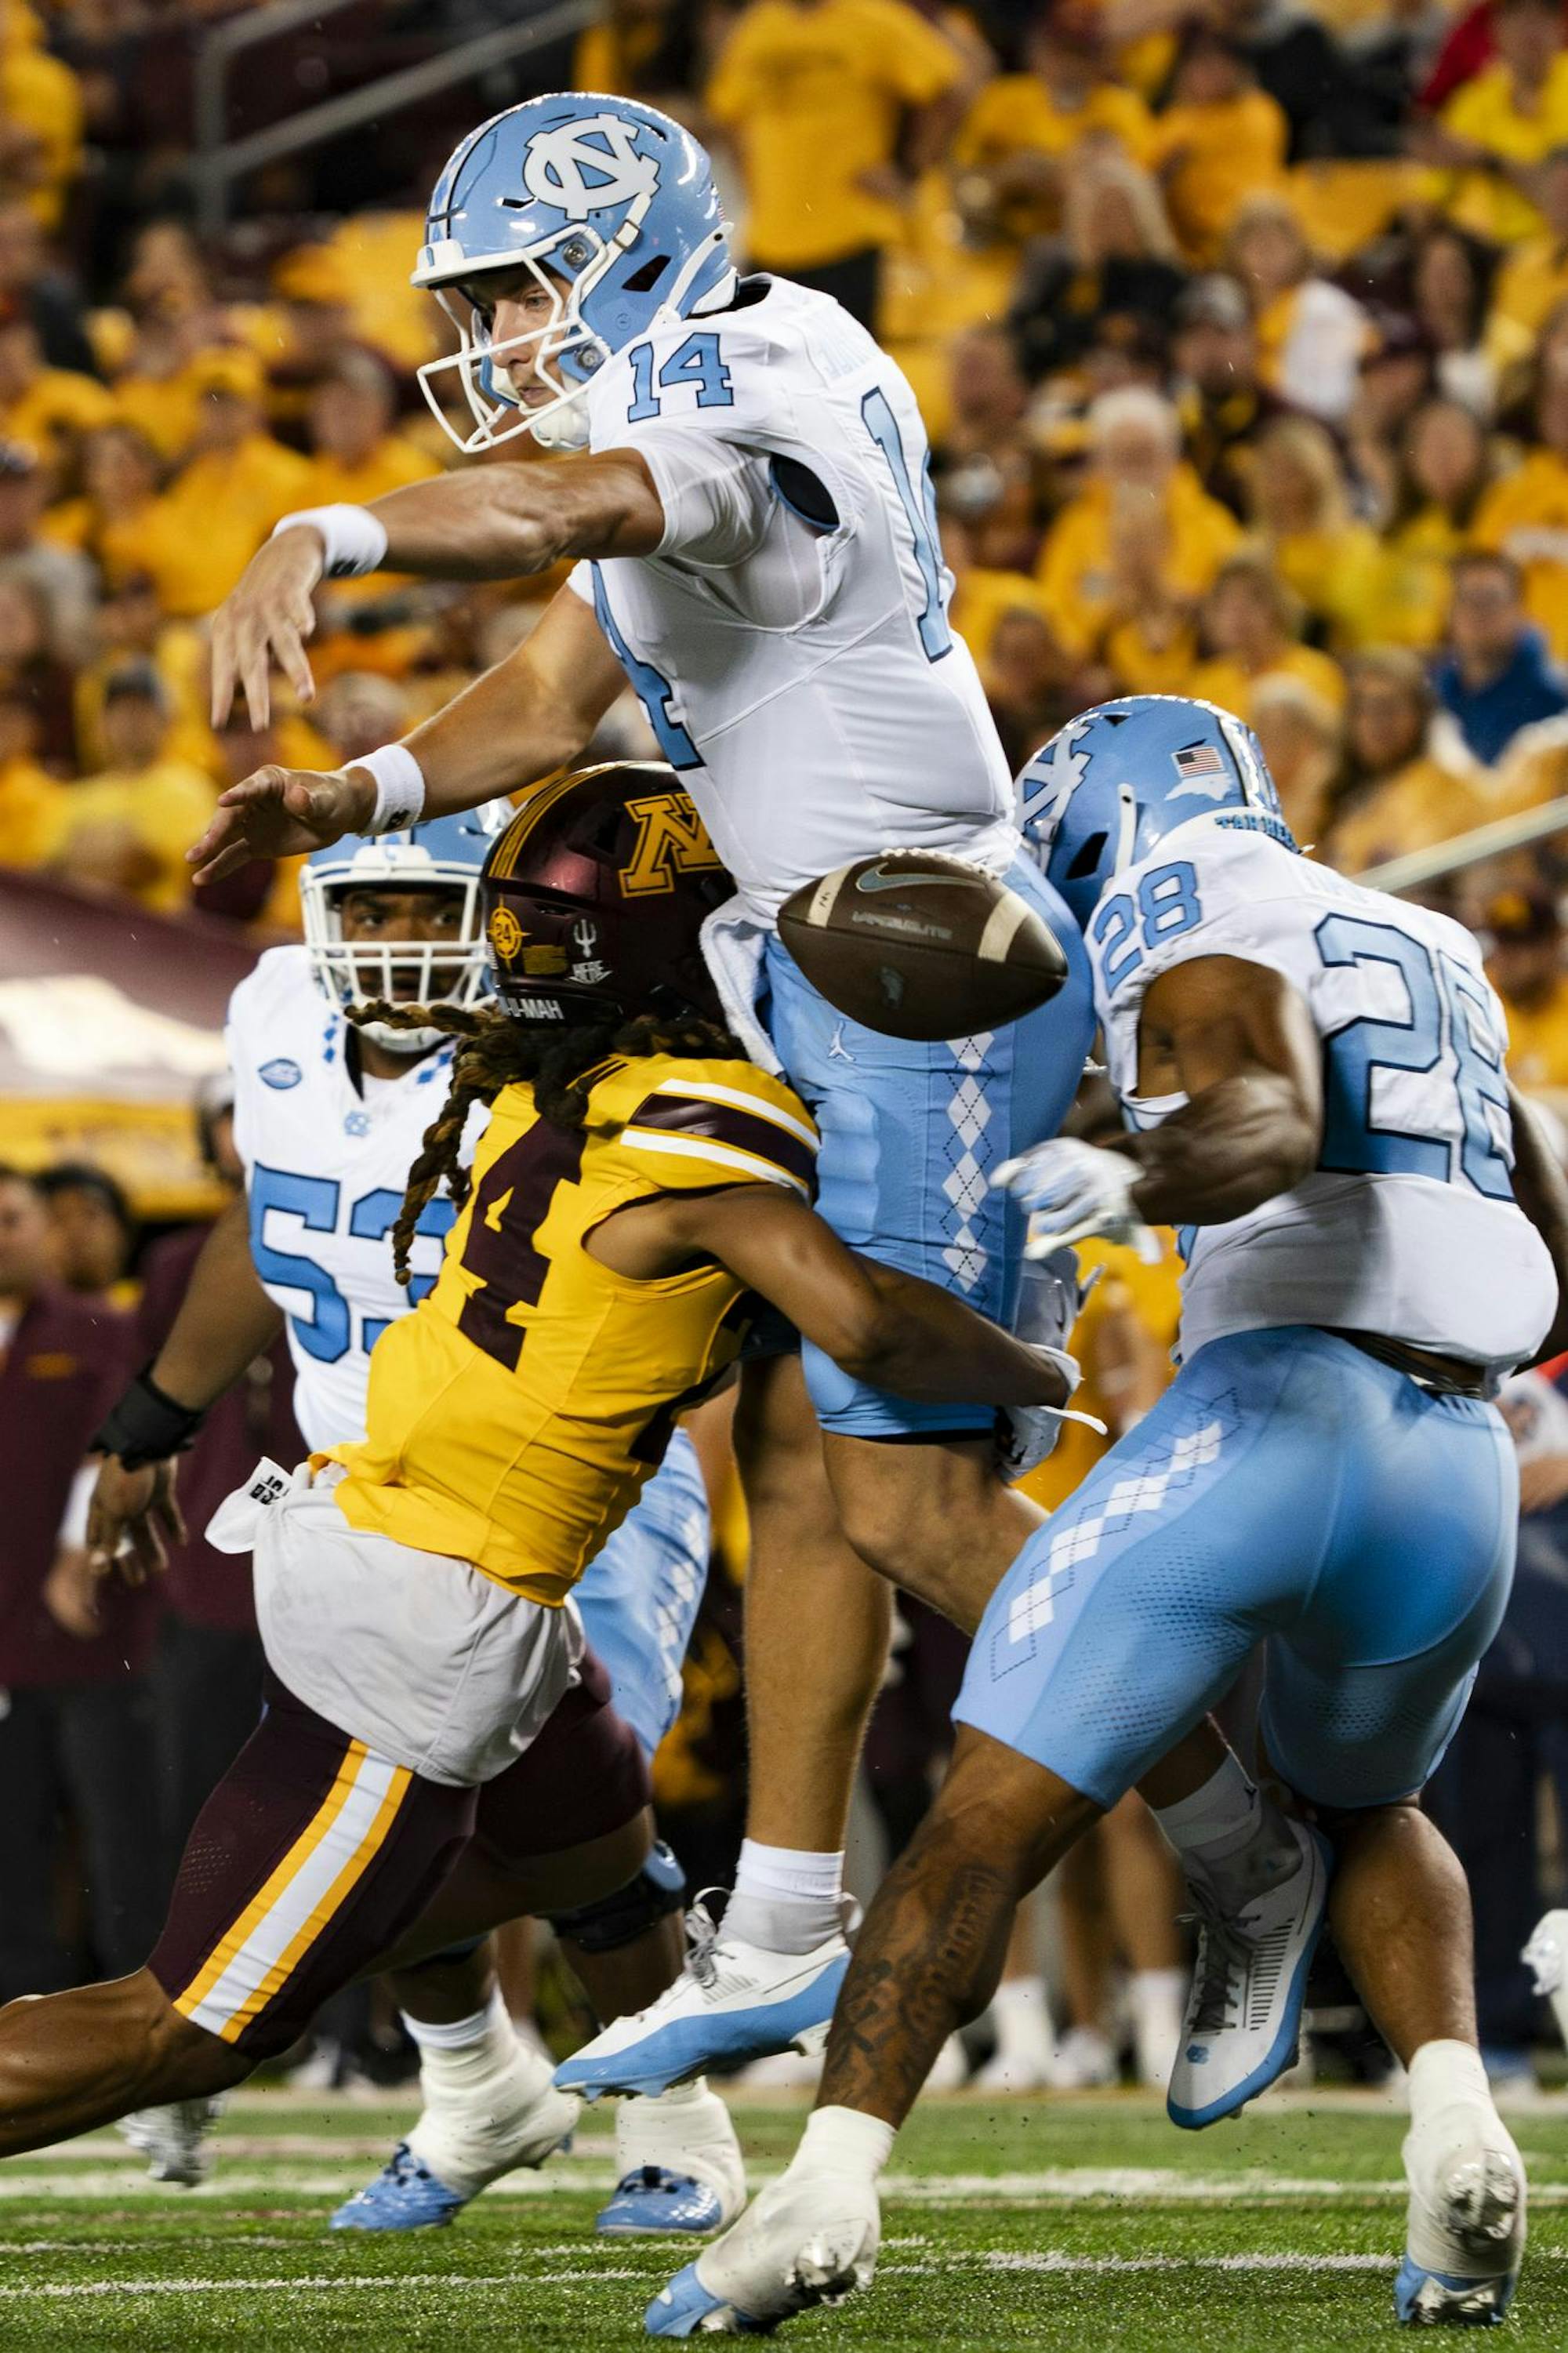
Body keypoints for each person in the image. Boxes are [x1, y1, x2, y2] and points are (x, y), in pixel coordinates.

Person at [194, 93, 1313, 2101]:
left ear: (631, 250)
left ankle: (1244, 1854)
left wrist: (327, 529)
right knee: (795, 1459)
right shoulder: (687, 405)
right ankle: (785, 1917)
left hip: (920, 971)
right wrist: (352, 792)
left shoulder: (741, 368)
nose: (496, 335)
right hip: (821, 970)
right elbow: (549, 694)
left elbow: (573, 511)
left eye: (520, 288)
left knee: (900, 1490)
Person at [0, 770, 1086, 2184]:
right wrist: (1044, 1372)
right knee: (191, 2029)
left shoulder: (523, 1085)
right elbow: (869, 1320)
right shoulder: (683, 1111)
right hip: (433, 1602)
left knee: (587, 1853)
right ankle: (461, 2040)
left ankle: (615, 2115)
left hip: (383, 1526)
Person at [655, 695, 1561, 2336]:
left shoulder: (1192, 927)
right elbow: (1547, 1201)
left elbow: (1265, 1114)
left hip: (1278, 1417)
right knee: (1369, 1807)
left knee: (985, 1815)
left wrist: (1146, 1182)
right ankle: (1456, 2130)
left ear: (1093, 831)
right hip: (1463, 1462)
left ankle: (823, 2190)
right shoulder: (1425, 940)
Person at [89, 777, 742, 2239]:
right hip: (355, 1502)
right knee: (400, 1806)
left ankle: (663, 2107)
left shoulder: (581, 1057)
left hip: (562, 1498)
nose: (390, 941)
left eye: (426, 910)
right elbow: (267, 1233)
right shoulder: (272, 1014)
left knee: (576, 1821)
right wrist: (152, 1419)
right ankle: (472, 2085)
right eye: (365, 909)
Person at [0, 1165, 162, 2006]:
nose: (5, 1235)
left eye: (13, 1217)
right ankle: (17, 2014)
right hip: (5, 1643)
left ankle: (137, 2009)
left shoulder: (102, 1326)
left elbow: (116, 1446)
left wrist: (75, 1555)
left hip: (94, 1637)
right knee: (10, 1836)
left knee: (119, 1831)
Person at [1435, 550, 1568, 765]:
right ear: (1448, 611)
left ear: (1520, 609)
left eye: (1492, 599)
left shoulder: (1558, 698)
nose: (1478, 612)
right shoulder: (1433, 699)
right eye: (1465, 598)